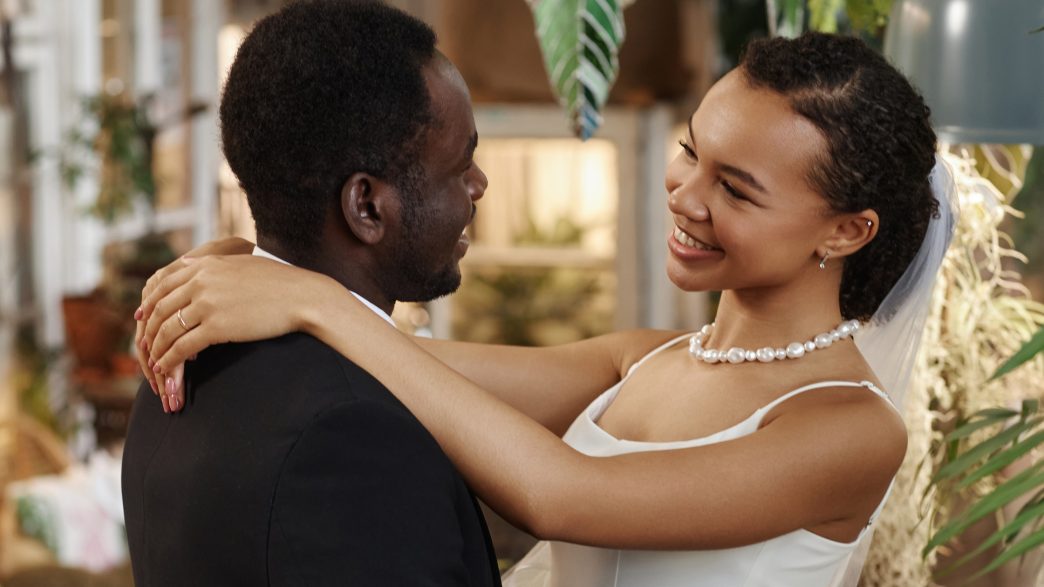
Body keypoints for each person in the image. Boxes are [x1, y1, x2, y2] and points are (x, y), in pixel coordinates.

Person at [136, 33, 956, 586]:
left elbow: (560, 494)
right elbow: (403, 364)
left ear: (847, 230)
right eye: (691, 151)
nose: (686, 195)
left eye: (736, 189)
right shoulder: (644, 359)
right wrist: (252, 265)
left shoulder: (849, 427)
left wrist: (312, 298)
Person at [120, 1, 501, 585]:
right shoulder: (357, 438)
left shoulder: (181, 365)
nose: (479, 185)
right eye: (460, 165)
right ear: (367, 206)